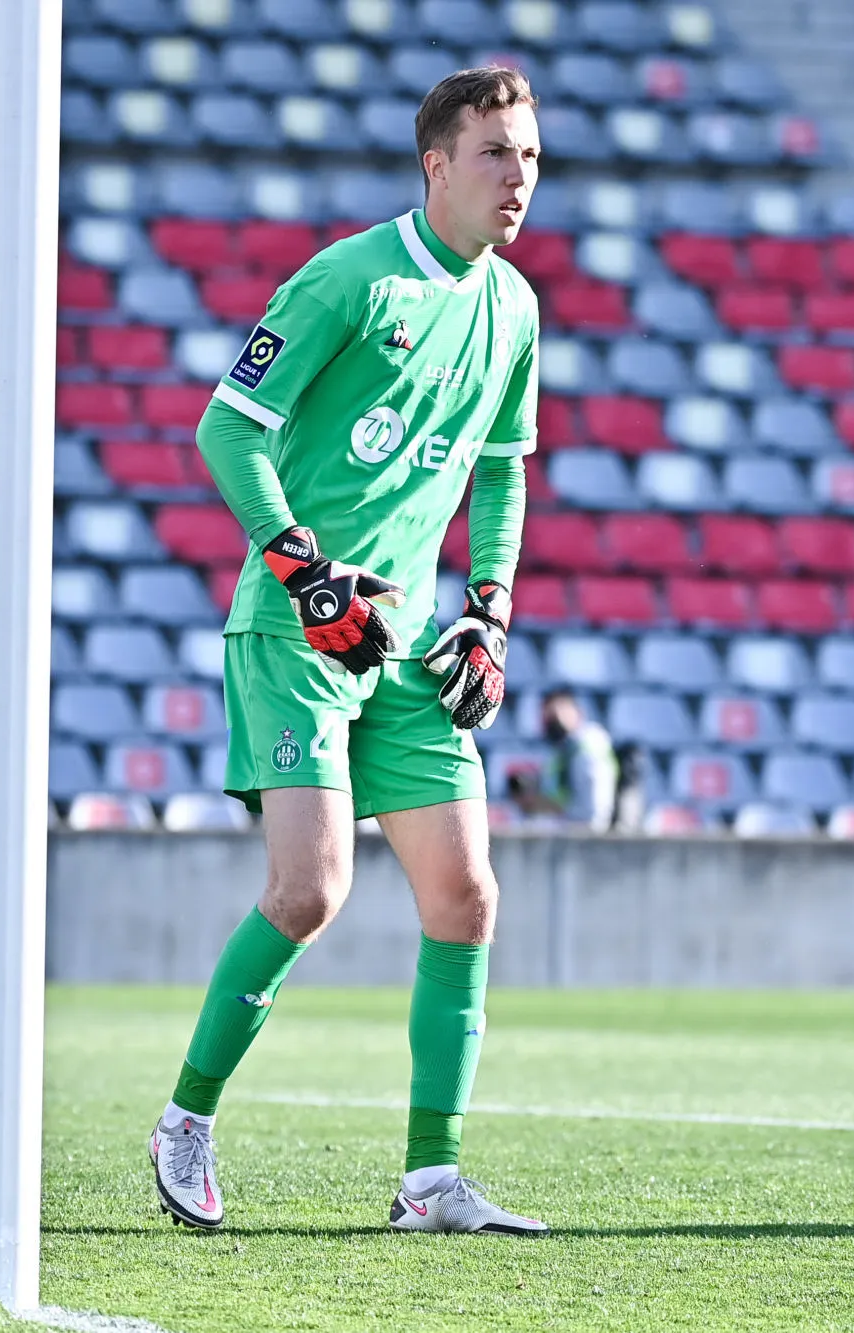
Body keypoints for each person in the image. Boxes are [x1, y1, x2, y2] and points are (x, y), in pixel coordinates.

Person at [146, 67, 547, 1238]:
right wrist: (302, 569)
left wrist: (488, 609)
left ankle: (431, 1180)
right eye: (494, 153)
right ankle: (184, 1119)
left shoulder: (513, 307)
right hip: (295, 628)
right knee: (309, 890)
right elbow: (226, 427)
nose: (517, 177)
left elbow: (500, 470)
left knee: (464, 895)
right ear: (436, 165)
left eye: (528, 155)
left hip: (406, 640)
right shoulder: (349, 279)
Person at [509, 690, 621, 832]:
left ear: (576, 713)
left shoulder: (588, 748)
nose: (552, 723)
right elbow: (563, 799)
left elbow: (593, 812)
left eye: (557, 715)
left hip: (584, 835)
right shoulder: (564, 750)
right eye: (547, 717)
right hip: (570, 830)